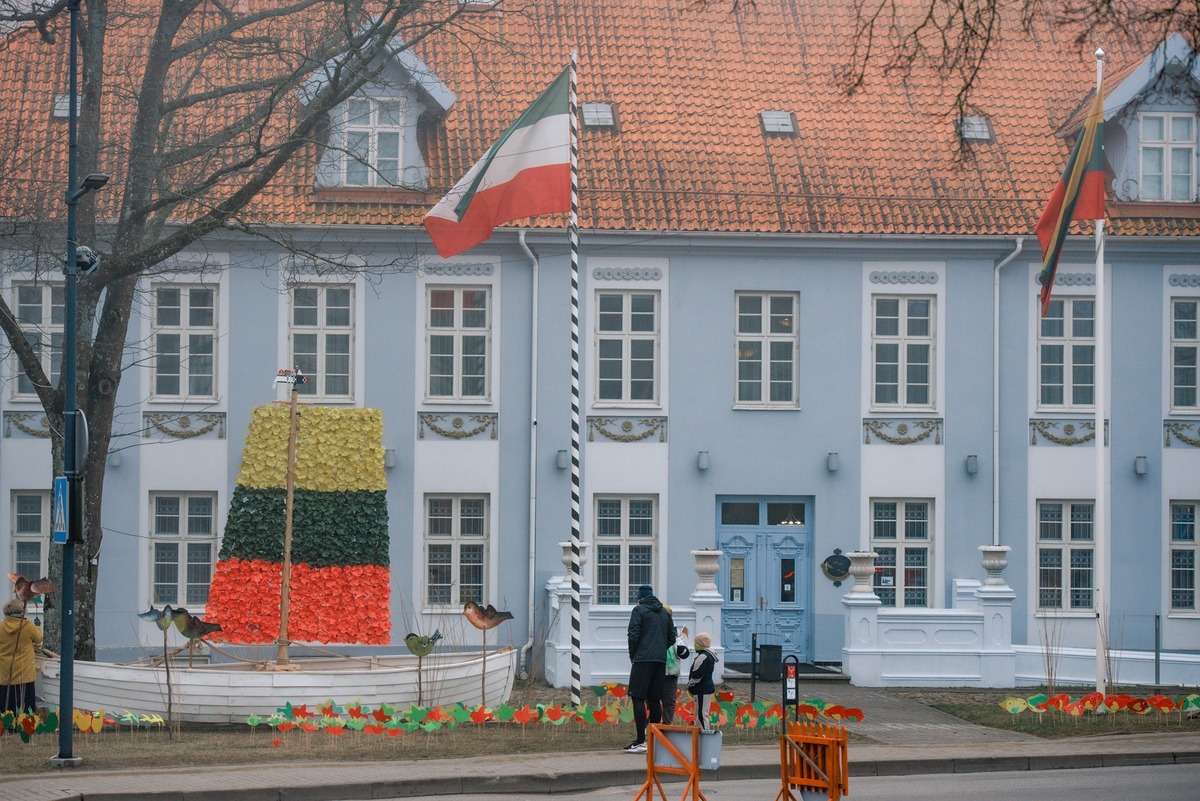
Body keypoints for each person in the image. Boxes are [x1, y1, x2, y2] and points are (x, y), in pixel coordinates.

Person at [624, 584, 676, 753]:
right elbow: (672, 637)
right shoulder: (665, 614)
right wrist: (660, 650)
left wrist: (634, 654)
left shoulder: (639, 611)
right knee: (655, 699)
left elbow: (633, 635)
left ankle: (640, 740)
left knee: (638, 697)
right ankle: (655, 738)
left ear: (640, 598)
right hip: (659, 661)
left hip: (642, 660)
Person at [1, 599, 43, 718]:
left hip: (6, 671)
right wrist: (38, 626)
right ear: (22, 611)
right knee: (25, 700)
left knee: (7, 699)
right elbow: (38, 638)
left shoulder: (1, 626)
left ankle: (8, 723)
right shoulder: (27, 625)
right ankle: (25, 723)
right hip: (25, 671)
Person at [687, 632, 717, 731]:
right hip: (705, 688)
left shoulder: (703, 657)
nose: (694, 645)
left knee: (701, 714)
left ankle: (704, 735)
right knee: (702, 713)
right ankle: (703, 734)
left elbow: (697, 673)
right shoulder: (708, 655)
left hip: (701, 689)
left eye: (696, 642)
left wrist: (691, 685)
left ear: (700, 644)